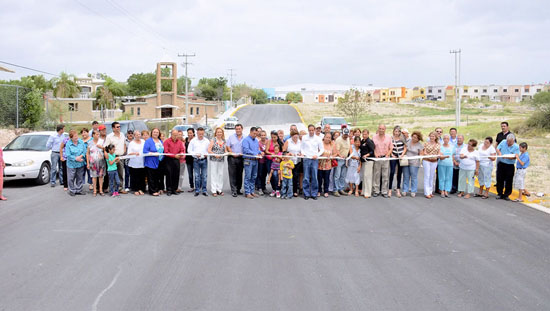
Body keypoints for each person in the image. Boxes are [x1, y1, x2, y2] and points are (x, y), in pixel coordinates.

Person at [104, 121, 127, 194]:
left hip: (120, 156)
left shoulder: (122, 135)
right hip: (112, 156)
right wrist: (106, 154)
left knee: (120, 172)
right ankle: (111, 188)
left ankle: (120, 188)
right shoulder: (109, 136)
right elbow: (105, 147)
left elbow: (124, 144)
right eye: (117, 127)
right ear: (113, 128)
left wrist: (124, 151)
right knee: (111, 173)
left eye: (119, 126)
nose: (119, 128)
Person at [300, 124, 322, 200]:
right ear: (308, 130)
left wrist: (317, 155)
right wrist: (303, 153)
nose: (311, 132)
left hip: (314, 159)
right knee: (306, 177)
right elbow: (302, 147)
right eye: (310, 130)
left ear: (315, 130)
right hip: (306, 159)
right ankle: (306, 193)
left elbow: (321, 149)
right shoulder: (304, 138)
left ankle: (314, 193)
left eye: (312, 130)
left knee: (314, 177)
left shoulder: (318, 139)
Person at [496, 134, 520, 201]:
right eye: (507, 141)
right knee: (500, 179)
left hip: (509, 165)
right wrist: (500, 153)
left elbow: (515, 156)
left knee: (509, 180)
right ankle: (499, 193)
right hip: (501, 164)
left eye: (510, 142)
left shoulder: (516, 146)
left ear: (513, 141)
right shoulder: (503, 142)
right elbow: (497, 148)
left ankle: (506, 194)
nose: (508, 143)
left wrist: (506, 156)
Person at [188, 127, 210, 197]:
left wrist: (207, 154)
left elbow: (209, 150)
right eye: (199, 133)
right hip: (196, 160)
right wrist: (195, 154)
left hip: (204, 160)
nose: (201, 135)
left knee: (204, 176)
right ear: (197, 133)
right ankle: (197, 190)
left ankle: (204, 190)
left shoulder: (206, 141)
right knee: (197, 176)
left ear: (204, 133)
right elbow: (189, 150)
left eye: (202, 134)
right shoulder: (193, 141)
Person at [372, 124, 392, 198]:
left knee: (385, 175)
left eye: (382, 129)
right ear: (378, 129)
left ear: (385, 129)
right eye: (380, 128)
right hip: (377, 158)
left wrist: (388, 154)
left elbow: (391, 148)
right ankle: (376, 191)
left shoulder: (389, 137)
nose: (381, 130)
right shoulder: (374, 137)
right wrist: (375, 154)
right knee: (376, 175)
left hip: (385, 158)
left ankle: (384, 191)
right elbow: (372, 147)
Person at [65, 130, 87, 196]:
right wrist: (76, 158)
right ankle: (72, 190)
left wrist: (80, 156)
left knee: (79, 177)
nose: (76, 137)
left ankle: (79, 189)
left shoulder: (81, 142)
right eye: (74, 137)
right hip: (71, 164)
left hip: (80, 163)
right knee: (71, 177)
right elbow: (68, 155)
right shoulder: (68, 144)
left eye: (77, 136)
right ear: (71, 137)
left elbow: (84, 151)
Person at [163, 129, 185, 196]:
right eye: (174, 135)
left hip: (177, 160)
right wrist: (174, 155)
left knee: (176, 175)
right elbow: (166, 152)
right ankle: (169, 190)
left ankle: (174, 189)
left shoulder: (180, 142)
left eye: (176, 135)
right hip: (169, 160)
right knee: (169, 175)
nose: (175, 136)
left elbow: (182, 150)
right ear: (171, 134)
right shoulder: (167, 141)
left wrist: (181, 154)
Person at [402, 131, 423, 197]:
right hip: (406, 161)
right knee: (406, 176)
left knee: (413, 177)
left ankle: (413, 191)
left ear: (418, 139)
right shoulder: (408, 142)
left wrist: (420, 161)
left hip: (415, 163)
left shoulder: (420, 145)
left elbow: (421, 154)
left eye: (416, 138)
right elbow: (405, 149)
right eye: (413, 137)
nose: (414, 139)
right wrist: (402, 155)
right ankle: (405, 190)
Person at [143, 128, 164, 196]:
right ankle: (152, 191)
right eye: (154, 132)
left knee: (157, 177)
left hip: (159, 162)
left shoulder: (160, 141)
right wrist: (153, 153)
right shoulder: (148, 141)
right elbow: (145, 151)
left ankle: (157, 189)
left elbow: (162, 151)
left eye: (157, 132)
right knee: (151, 177)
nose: (155, 133)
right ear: (152, 133)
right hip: (150, 162)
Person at [242, 127, 261, 199]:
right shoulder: (246, 140)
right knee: (248, 176)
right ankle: (247, 192)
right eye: (254, 133)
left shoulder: (256, 140)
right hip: (248, 160)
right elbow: (246, 150)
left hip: (255, 160)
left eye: (256, 134)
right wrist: (254, 154)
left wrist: (260, 152)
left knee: (254, 176)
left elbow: (256, 150)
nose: (255, 135)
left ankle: (252, 191)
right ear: (250, 132)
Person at [208, 127, 228, 197]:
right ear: (215, 133)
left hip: (221, 160)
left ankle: (219, 189)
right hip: (214, 160)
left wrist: (227, 153)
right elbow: (209, 150)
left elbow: (225, 150)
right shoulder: (213, 140)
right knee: (214, 174)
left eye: (220, 132)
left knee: (220, 174)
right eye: (218, 132)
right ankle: (214, 190)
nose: (219, 133)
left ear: (222, 133)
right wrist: (215, 154)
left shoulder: (224, 141)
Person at [389, 126, 407, 198]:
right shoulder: (391, 138)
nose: (396, 133)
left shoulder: (402, 138)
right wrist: (391, 154)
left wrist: (402, 155)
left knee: (399, 173)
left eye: (398, 131)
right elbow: (389, 147)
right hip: (393, 156)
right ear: (393, 131)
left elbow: (405, 147)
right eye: (395, 131)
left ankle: (398, 189)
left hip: (400, 157)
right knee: (392, 172)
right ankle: (389, 189)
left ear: (400, 132)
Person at [422, 131, 441, 199]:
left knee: (432, 176)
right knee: (427, 175)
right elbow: (424, 152)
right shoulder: (426, 143)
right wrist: (428, 155)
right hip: (426, 160)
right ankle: (426, 192)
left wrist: (439, 155)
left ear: (436, 137)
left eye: (433, 136)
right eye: (431, 136)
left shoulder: (438, 144)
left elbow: (439, 153)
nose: (432, 137)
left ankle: (430, 191)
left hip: (434, 161)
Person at [226, 124, 244, 197]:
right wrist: (232, 153)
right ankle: (234, 190)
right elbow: (228, 146)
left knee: (240, 174)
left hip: (241, 157)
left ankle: (238, 189)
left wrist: (242, 153)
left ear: (242, 129)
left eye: (239, 129)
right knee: (232, 174)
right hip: (232, 157)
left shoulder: (245, 137)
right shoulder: (231, 137)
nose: (238, 130)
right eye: (236, 129)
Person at [86, 130, 106, 196]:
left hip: (101, 161)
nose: (98, 135)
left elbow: (106, 149)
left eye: (98, 134)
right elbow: (88, 153)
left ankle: (100, 190)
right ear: (93, 135)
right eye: (97, 134)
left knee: (101, 176)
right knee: (94, 177)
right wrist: (88, 163)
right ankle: (94, 190)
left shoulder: (102, 142)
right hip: (93, 162)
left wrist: (102, 147)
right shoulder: (90, 143)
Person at [283, 130, 303, 197]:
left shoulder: (300, 142)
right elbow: (284, 152)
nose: (295, 136)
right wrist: (289, 153)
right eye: (294, 135)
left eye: (297, 135)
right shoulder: (288, 141)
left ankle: (294, 191)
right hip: (289, 162)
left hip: (297, 161)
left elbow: (303, 151)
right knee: (288, 176)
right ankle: (287, 190)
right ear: (291, 135)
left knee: (295, 176)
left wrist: (301, 154)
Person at [333, 127, 351, 197]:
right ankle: (335, 190)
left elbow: (348, 148)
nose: (346, 136)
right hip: (339, 159)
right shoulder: (338, 140)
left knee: (343, 175)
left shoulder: (348, 139)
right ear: (342, 133)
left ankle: (341, 188)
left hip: (346, 159)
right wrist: (340, 155)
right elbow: (337, 150)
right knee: (337, 175)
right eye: (344, 134)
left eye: (347, 135)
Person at [127, 130, 145, 196]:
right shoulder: (132, 143)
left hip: (142, 162)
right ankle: (135, 189)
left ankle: (141, 189)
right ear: (134, 136)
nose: (138, 136)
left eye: (139, 134)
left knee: (141, 176)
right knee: (135, 176)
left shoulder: (143, 142)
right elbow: (129, 153)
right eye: (136, 135)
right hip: (134, 163)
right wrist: (134, 153)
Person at [359, 129, 375, 198]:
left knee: (368, 177)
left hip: (369, 161)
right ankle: (363, 191)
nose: (364, 135)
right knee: (364, 177)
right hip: (363, 161)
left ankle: (368, 193)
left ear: (368, 134)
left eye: (365, 134)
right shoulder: (362, 141)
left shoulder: (369, 141)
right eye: (363, 134)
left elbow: (372, 151)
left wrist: (367, 155)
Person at [317, 133, 334, 198]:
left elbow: (336, 153)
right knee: (319, 179)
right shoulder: (320, 144)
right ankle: (319, 191)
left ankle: (326, 191)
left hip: (328, 165)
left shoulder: (332, 145)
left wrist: (331, 156)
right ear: (324, 137)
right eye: (327, 137)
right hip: (320, 165)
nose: (328, 139)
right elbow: (316, 152)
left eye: (329, 137)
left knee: (326, 179)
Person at [256, 130, 269, 195]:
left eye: (264, 135)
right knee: (260, 174)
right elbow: (258, 150)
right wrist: (260, 152)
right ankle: (259, 187)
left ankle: (264, 187)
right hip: (261, 161)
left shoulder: (268, 142)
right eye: (262, 135)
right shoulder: (258, 143)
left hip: (267, 160)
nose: (263, 136)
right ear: (260, 136)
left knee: (264, 174)